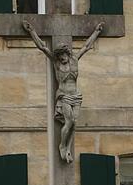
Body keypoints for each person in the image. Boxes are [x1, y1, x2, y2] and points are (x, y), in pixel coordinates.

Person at [23, 20, 103, 163]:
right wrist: (31, 31)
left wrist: (96, 32)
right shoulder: (56, 62)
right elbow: (42, 46)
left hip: (76, 96)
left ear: (67, 53)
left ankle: (68, 149)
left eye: (63, 56)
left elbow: (86, 46)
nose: (62, 59)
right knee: (69, 121)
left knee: (74, 123)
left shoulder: (75, 60)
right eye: (60, 57)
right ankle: (62, 146)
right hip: (64, 96)